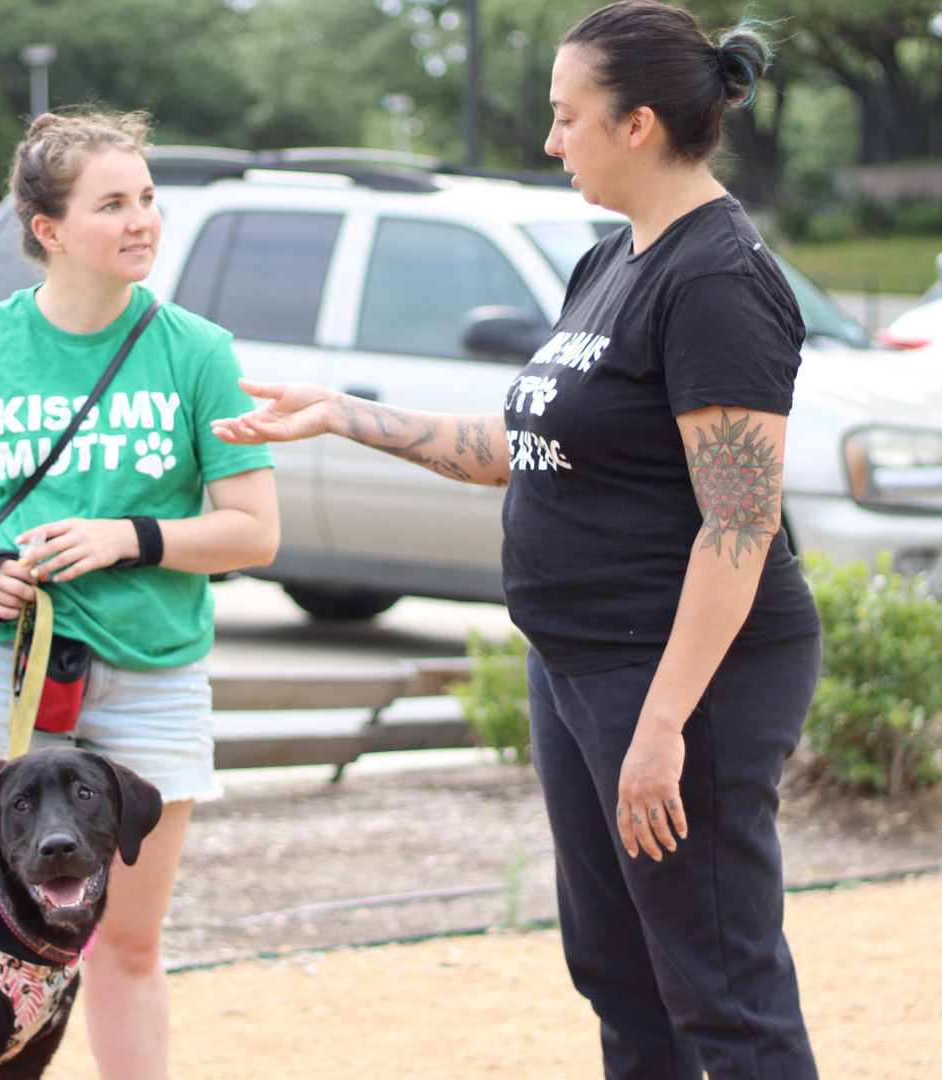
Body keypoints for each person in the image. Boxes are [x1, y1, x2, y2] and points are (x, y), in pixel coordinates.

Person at [211, 3, 819, 1076]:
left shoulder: (716, 279)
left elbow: (739, 520)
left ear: (636, 125)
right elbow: (525, 444)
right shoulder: (611, 262)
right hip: (581, 661)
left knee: (720, 988)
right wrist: (344, 412)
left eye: (565, 117)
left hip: (680, 678)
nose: (550, 142)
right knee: (624, 979)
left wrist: (664, 725)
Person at [0, 109, 278, 1080]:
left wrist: (124, 537)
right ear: (47, 229)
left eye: (146, 200)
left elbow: (253, 532)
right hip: (1, 672)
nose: (142, 222)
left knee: (123, 946)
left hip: (150, 677)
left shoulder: (197, 352)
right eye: (112, 205)